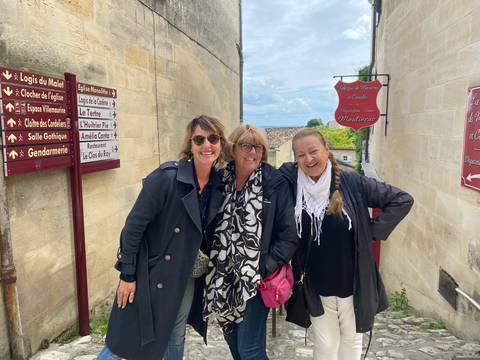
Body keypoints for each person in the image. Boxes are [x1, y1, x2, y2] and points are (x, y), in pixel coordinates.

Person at [98, 115, 228, 360]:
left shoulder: (217, 184)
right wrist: (127, 275)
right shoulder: (167, 178)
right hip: (151, 271)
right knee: (123, 342)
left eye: (213, 138)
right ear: (190, 144)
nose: (206, 145)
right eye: (199, 139)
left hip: (185, 273)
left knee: (175, 334)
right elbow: (133, 227)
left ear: (221, 143)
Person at [280, 128, 414, 360]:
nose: (309, 159)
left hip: (353, 284)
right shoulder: (293, 184)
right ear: (295, 159)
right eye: (301, 155)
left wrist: (370, 231)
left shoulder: (352, 182)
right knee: (326, 346)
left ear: (327, 149)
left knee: (351, 344)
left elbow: (402, 200)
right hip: (315, 286)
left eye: (313, 151)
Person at [203, 124, 298, 360]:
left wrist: (261, 267)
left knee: (250, 349)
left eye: (259, 147)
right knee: (234, 342)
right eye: (246, 146)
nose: (253, 152)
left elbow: (289, 236)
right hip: (221, 277)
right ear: (233, 149)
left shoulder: (274, 183)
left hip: (256, 278)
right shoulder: (218, 181)